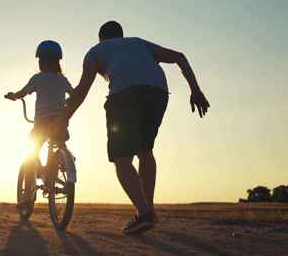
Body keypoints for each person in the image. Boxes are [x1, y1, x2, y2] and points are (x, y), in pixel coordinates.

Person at [66, 21, 210, 235]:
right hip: (158, 92)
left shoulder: (95, 52)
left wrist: (65, 117)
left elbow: (82, 91)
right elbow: (179, 56)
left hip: (125, 96)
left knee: (122, 159)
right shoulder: (139, 43)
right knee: (145, 151)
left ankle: (144, 213)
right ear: (121, 36)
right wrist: (195, 90)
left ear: (101, 38)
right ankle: (147, 209)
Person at [5, 40, 73, 197]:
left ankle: (39, 176)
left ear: (40, 61)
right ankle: (57, 166)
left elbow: (22, 93)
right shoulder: (62, 80)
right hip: (60, 123)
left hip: (42, 123)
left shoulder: (37, 78)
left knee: (33, 147)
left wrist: (13, 96)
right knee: (59, 142)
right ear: (58, 61)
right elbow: (74, 94)